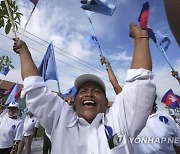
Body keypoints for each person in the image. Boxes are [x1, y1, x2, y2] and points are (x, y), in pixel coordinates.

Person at [13, 23, 156, 154]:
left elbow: (139, 83)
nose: (89, 94)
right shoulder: (60, 119)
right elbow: (35, 88)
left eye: (96, 91)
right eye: (82, 91)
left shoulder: (120, 120)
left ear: (106, 103)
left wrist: (141, 38)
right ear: (74, 101)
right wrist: (24, 51)